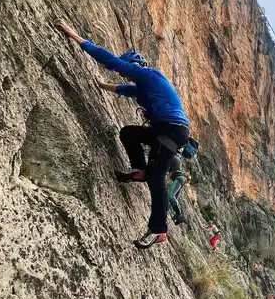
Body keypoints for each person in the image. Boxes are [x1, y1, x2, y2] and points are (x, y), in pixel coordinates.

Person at [55, 19, 191, 249]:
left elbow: (109, 60)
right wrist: (102, 85)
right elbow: (119, 88)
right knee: (129, 133)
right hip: (163, 129)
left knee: (157, 177)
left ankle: (159, 230)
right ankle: (140, 169)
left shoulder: (150, 75)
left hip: (173, 130)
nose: (127, 78)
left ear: (136, 65)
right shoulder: (141, 87)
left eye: (129, 72)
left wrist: (74, 34)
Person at [167, 155, 190, 225]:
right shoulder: (177, 161)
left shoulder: (173, 157)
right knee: (172, 196)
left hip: (179, 178)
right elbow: (176, 196)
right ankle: (178, 215)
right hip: (179, 178)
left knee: (170, 195)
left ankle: (179, 214)